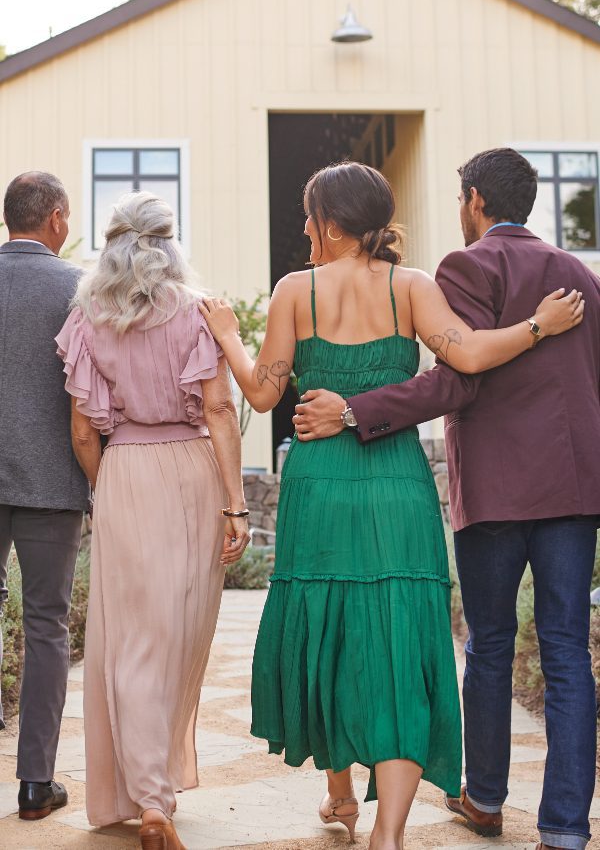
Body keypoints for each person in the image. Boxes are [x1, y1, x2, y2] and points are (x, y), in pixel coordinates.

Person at [200, 161, 583, 850]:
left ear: (332, 222)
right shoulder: (412, 286)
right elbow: (467, 358)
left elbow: (261, 394)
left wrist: (227, 333)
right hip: (398, 484)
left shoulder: (295, 290)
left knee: (330, 631)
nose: (305, 226)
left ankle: (340, 789)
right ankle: (391, 833)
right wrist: (538, 325)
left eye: (308, 213)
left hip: (320, 484)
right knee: (403, 643)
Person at [55, 191, 250, 850]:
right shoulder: (198, 312)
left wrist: (106, 486)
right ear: (170, 244)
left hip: (126, 473)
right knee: (178, 635)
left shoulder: (87, 319)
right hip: (192, 472)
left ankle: (148, 794)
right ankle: (155, 792)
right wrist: (236, 503)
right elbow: (220, 412)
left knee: (132, 641)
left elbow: (85, 432)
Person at [0, 172, 88, 820]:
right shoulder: (79, 288)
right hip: (51, 479)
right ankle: (35, 784)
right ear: (56, 218)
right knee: (47, 626)